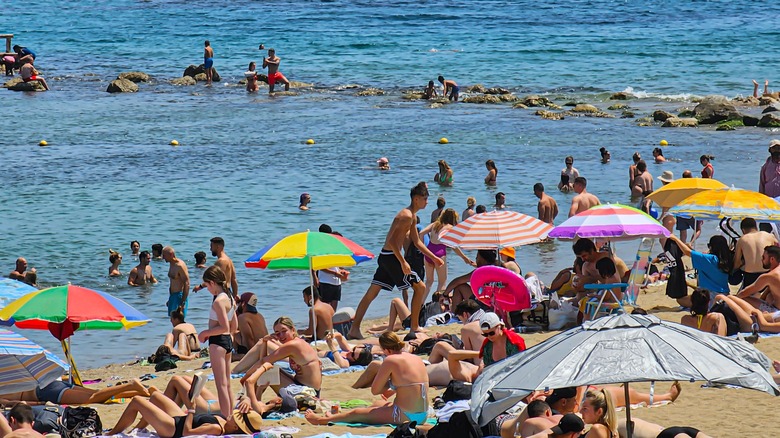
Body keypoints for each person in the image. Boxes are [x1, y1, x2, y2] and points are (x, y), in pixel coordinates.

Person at [348, 182, 443, 339]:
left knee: (371, 293)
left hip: (387, 256)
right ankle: (414, 327)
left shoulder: (411, 216)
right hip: (391, 257)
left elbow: (417, 241)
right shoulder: (405, 216)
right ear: (416, 199)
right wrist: (403, 262)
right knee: (420, 287)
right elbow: (391, 241)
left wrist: (434, 257)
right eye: (425, 198)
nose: (427, 201)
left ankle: (354, 329)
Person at [305, 331, 429, 425]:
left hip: (404, 416)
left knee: (356, 413)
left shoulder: (391, 360)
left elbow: (375, 390)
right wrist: (393, 385)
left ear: (385, 349)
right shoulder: (415, 358)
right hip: (423, 414)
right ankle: (342, 416)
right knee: (378, 404)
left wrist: (388, 384)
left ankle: (321, 420)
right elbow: (411, 385)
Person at [237, 317, 322, 412]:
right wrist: (265, 342)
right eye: (277, 333)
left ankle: (251, 401)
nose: (281, 335)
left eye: (284, 331)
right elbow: (264, 361)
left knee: (267, 370)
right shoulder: (297, 342)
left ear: (293, 330)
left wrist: (246, 378)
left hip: (306, 394)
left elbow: (263, 362)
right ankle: (252, 399)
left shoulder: (292, 345)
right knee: (269, 369)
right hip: (306, 389)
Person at [106, 392, 261, 436]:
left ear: (235, 427)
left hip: (173, 429)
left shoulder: (216, 428)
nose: (232, 414)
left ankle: (112, 433)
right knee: (155, 396)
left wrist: (192, 410)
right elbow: (241, 395)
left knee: (137, 401)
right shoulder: (223, 421)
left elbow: (187, 433)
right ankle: (138, 429)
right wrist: (246, 398)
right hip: (180, 418)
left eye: (236, 417)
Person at [197, 266, 237, 418]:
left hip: (218, 342)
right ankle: (231, 414)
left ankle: (227, 418)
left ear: (212, 283)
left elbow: (224, 326)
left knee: (220, 385)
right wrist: (229, 338)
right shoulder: (230, 297)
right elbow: (234, 326)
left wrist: (205, 333)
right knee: (227, 383)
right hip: (227, 341)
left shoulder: (218, 301)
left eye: (207, 285)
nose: (207, 289)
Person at [446, 312, 525, 383]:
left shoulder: (514, 342)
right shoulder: (487, 345)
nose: (489, 337)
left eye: (491, 333)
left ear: (499, 326)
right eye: (485, 334)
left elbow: (519, 367)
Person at [420, 208, 474, 294]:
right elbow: (454, 246)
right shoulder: (450, 228)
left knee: (429, 281)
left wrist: (422, 248)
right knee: (442, 282)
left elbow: (421, 233)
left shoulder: (435, 224)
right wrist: (464, 257)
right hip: (439, 254)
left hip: (428, 253)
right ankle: (438, 304)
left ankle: (420, 304)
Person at [666, 234, 731, 304]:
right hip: (725, 295)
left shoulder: (709, 259)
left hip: (710, 296)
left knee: (680, 300)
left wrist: (675, 238)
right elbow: (695, 254)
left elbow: (687, 252)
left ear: (712, 247)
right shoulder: (727, 259)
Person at [0, 379, 152, 405]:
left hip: (47, 393)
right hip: (51, 383)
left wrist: (40, 403)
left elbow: (17, 403)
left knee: (92, 398)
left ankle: (130, 385)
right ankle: (137, 392)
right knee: (100, 394)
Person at [368, 290, 449, 333]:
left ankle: (385, 328)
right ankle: (380, 327)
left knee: (395, 301)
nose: (451, 299)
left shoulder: (434, 306)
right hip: (415, 322)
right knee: (398, 324)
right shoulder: (440, 306)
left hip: (414, 323)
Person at [733, 218, 778, 288]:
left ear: (743, 230)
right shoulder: (769, 236)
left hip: (750, 275)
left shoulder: (742, 239)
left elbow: (736, 263)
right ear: (756, 227)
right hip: (767, 272)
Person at [734, 245, 780, 312]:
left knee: (742, 298)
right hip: (776, 307)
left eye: (763, 257)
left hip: (776, 312)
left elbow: (745, 293)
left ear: (772, 259)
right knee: (769, 296)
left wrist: (732, 298)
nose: (761, 260)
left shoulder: (771, 275)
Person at [163, 246, 191, 318]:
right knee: (173, 320)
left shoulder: (180, 266)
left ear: (171, 254)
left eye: (164, 255)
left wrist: (183, 302)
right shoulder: (171, 264)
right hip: (173, 296)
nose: (163, 258)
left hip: (179, 296)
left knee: (178, 320)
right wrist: (170, 299)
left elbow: (187, 283)